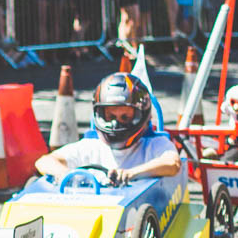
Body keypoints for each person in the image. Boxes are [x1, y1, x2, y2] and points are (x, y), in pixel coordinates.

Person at [34, 72, 182, 186]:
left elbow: (172, 163)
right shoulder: (91, 146)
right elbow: (44, 161)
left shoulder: (154, 144)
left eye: (125, 117)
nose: (116, 124)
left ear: (140, 115)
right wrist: (67, 175)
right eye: (110, 116)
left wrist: (130, 174)